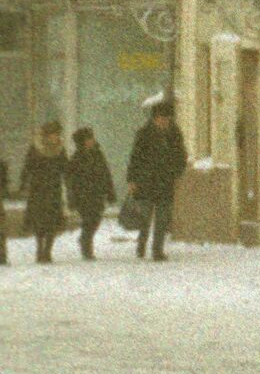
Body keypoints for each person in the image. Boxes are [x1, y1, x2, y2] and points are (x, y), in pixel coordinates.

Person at [125, 98, 185, 260]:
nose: (165, 121)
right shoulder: (144, 134)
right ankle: (141, 243)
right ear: (155, 118)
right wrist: (132, 180)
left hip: (165, 181)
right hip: (146, 181)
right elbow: (135, 157)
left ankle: (157, 250)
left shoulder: (174, 134)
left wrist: (177, 172)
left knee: (163, 218)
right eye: (162, 118)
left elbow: (181, 155)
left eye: (167, 118)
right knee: (145, 216)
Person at [20, 122, 67, 264]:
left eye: (58, 134)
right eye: (54, 134)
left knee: (52, 222)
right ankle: (39, 248)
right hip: (38, 190)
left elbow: (65, 167)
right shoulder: (35, 148)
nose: (56, 137)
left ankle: (48, 251)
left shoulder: (60, 149)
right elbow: (28, 167)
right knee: (40, 222)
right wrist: (23, 183)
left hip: (54, 189)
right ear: (47, 135)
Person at [64, 127, 113, 260]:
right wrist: (72, 198)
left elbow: (105, 173)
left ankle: (85, 239)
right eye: (88, 138)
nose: (91, 141)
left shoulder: (98, 154)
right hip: (83, 195)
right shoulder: (76, 158)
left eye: (92, 138)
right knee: (88, 220)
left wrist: (110, 192)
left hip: (97, 193)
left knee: (96, 220)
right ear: (82, 141)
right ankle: (87, 248)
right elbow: (70, 180)